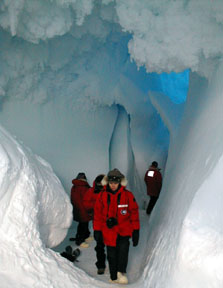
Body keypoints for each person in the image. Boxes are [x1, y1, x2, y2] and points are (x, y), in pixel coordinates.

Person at [93, 169, 140, 284]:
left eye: (115, 183)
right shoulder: (102, 196)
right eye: (111, 183)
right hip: (108, 232)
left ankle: (121, 272)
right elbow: (98, 214)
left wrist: (136, 230)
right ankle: (113, 275)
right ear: (108, 182)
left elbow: (134, 212)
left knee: (123, 252)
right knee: (111, 254)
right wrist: (97, 230)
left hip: (124, 230)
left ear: (120, 182)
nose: (113, 185)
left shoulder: (128, 195)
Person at [83, 174, 106, 275]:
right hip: (98, 224)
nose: (99, 185)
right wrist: (95, 207)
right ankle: (100, 265)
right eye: (98, 183)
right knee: (99, 245)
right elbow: (86, 204)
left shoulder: (109, 192)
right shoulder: (91, 191)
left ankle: (116, 266)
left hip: (109, 224)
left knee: (112, 246)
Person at [70, 172, 91, 248]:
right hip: (84, 210)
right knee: (83, 225)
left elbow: (74, 199)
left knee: (82, 224)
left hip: (78, 209)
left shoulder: (74, 187)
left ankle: (85, 236)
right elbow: (88, 199)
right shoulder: (84, 187)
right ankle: (80, 240)